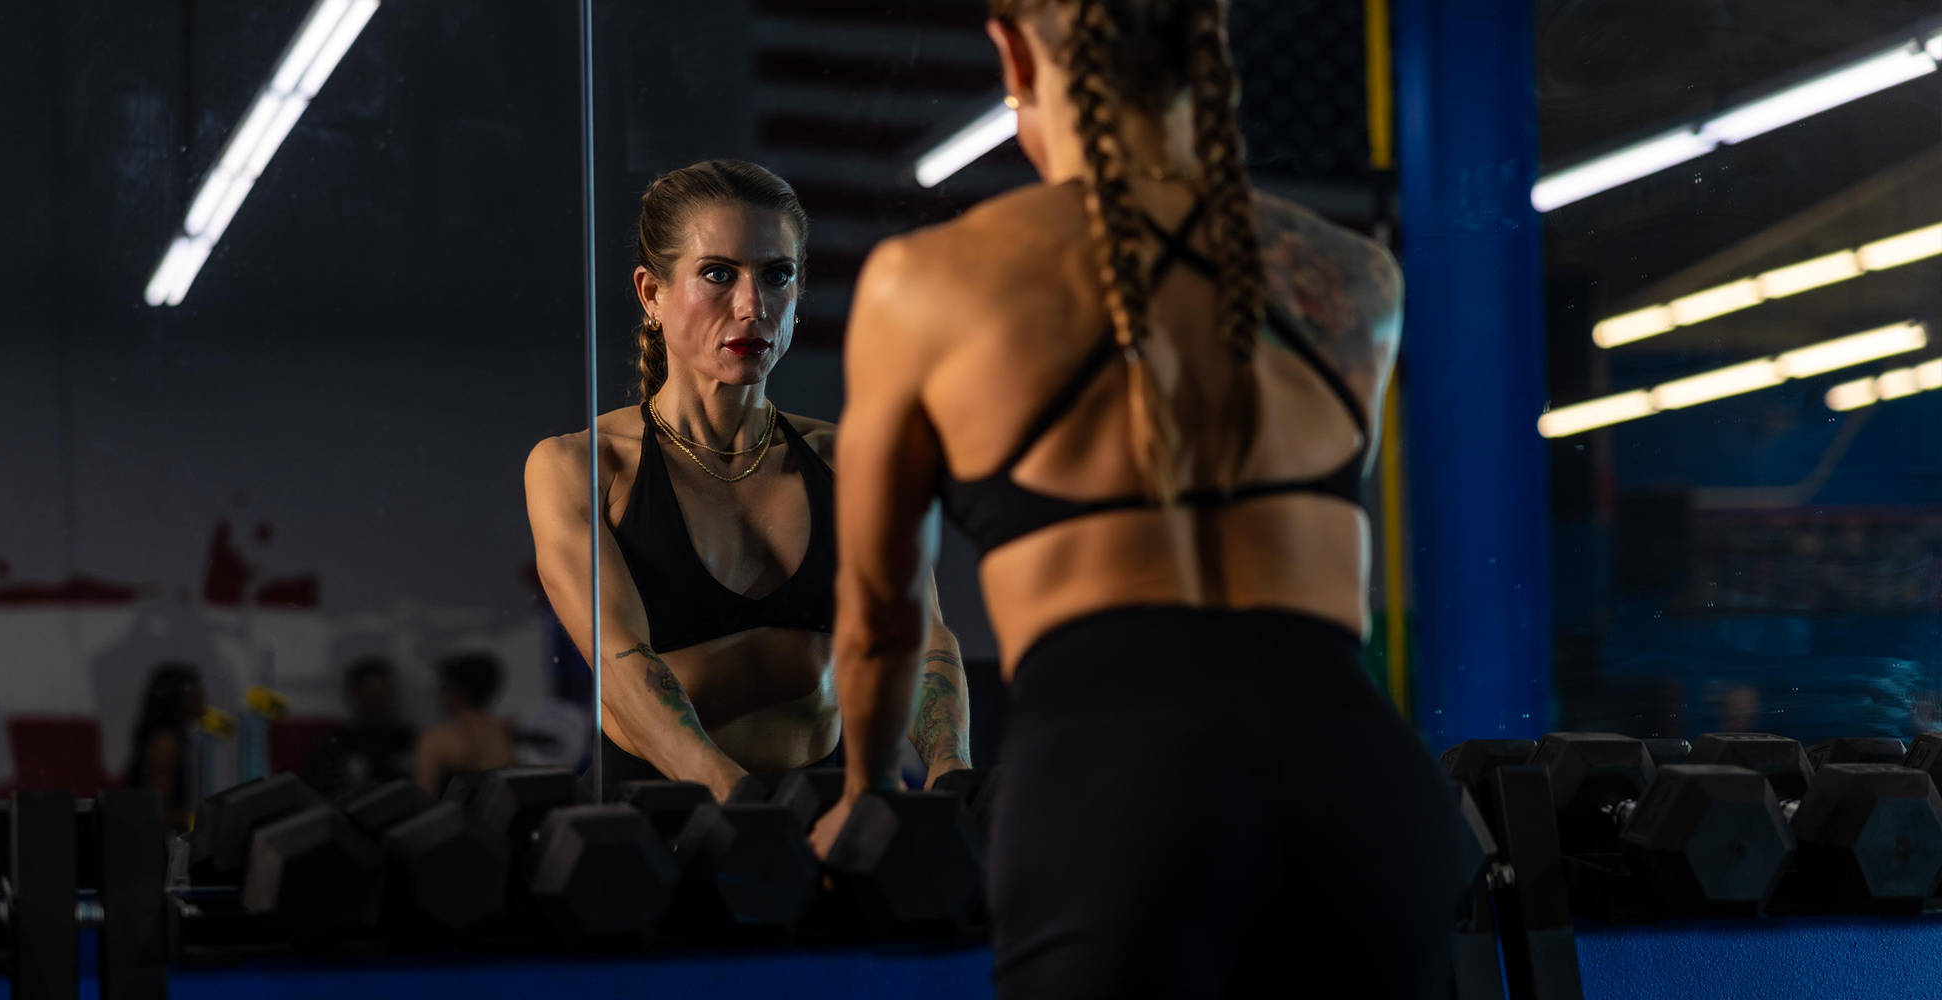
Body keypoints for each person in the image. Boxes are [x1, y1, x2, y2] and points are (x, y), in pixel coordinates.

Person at [815, 2, 1456, 997]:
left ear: (1012, 51)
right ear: (1205, 52)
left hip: (1114, 795)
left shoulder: (924, 283)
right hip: (1362, 788)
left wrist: (863, 791)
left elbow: (878, 618)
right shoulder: (1354, 281)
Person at [523, 160, 972, 803]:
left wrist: (950, 766)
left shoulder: (853, 463)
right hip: (663, 810)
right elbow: (621, 667)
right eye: (717, 274)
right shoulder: (581, 467)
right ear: (651, 294)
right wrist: (731, 796)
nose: (751, 305)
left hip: (824, 797)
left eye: (776, 274)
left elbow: (923, 636)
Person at [305, 658, 415, 796]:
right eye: (372, 694)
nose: (379, 700)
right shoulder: (334, 744)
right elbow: (320, 796)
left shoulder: (412, 740)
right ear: (354, 694)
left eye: (384, 692)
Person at [412, 652, 516, 796]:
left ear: (455, 691)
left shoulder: (436, 739)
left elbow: (423, 798)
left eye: (444, 687)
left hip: (449, 817)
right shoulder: (506, 733)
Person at [123, 663, 205, 831]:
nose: (202, 698)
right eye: (194, 691)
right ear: (176, 697)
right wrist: (201, 820)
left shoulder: (179, 739)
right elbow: (157, 811)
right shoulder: (165, 744)